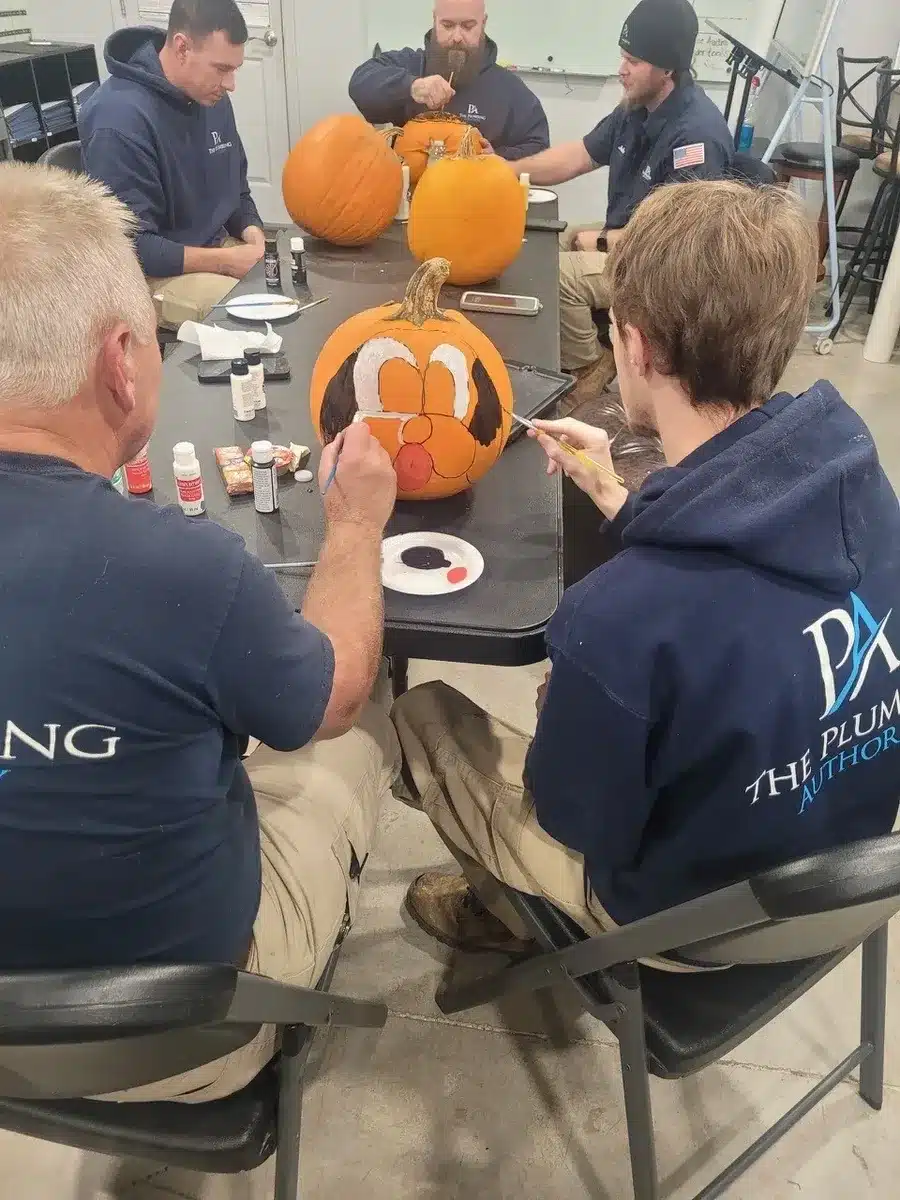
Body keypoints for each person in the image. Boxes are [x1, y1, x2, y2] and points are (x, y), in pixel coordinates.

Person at [392, 179, 900, 964]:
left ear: (633, 346)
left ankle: (511, 912)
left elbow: (574, 818)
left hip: (692, 924)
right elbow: (742, 601)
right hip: (845, 881)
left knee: (425, 715)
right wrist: (620, 499)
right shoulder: (863, 488)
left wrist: (575, 706)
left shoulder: (614, 619)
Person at [0, 160, 400, 1101]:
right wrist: (353, 527)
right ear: (119, 361)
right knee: (354, 745)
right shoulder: (188, 571)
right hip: (175, 1038)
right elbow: (332, 695)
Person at [511, 0, 733, 395]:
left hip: (661, 268)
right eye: (622, 55)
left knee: (558, 276)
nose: (621, 69)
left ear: (667, 68)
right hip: (627, 237)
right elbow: (579, 155)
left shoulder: (696, 137)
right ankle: (561, 350)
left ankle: (590, 365)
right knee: (541, 241)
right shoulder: (636, 106)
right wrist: (507, 172)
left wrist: (599, 240)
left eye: (633, 60)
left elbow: (677, 243)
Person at [79, 0, 265, 330]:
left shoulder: (212, 97)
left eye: (234, 69)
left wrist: (253, 235)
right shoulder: (119, 119)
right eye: (222, 69)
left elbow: (236, 192)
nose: (231, 84)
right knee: (252, 319)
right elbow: (134, 248)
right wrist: (223, 262)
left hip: (215, 250)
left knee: (288, 289)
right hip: (152, 277)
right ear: (182, 48)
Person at [349, 0, 549, 161]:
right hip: (410, 198)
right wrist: (412, 86)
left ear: (483, 23)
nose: (457, 37)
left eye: (468, 26)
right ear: (434, 20)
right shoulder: (410, 64)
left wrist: (498, 157)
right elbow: (360, 84)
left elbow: (539, 148)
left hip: (477, 197)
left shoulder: (509, 89)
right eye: (448, 25)